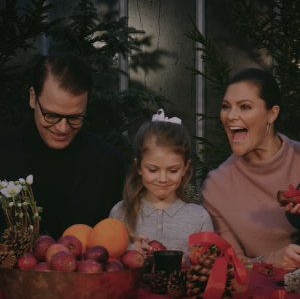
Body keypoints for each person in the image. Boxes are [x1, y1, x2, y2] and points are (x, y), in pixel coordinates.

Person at [0, 54, 127, 240]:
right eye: (51, 115)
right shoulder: (3, 154)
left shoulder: (109, 162)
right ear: (32, 97)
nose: (62, 128)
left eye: (75, 117)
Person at [201, 68, 300, 271]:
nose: (231, 116)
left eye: (245, 106)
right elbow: (230, 266)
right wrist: (270, 260)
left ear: (271, 114)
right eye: (226, 107)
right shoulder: (216, 187)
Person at [109, 109, 214, 255]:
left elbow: (209, 265)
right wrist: (129, 256)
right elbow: (109, 266)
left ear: (185, 168)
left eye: (173, 171)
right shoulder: (120, 214)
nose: (163, 179)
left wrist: (187, 264)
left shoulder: (199, 218)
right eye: (153, 170)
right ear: (139, 166)